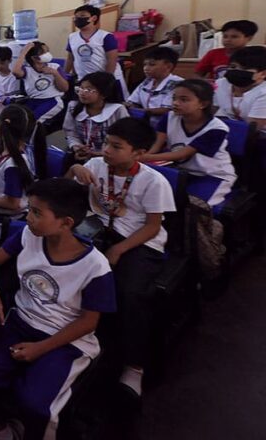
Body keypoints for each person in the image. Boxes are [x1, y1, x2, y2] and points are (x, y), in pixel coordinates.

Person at [0, 178, 116, 440]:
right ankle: (3, 432)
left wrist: (41, 348)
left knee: (36, 406)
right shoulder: (29, 235)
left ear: (66, 222)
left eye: (37, 212)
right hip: (20, 322)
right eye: (30, 209)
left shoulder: (96, 267)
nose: (29, 217)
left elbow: (88, 323)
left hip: (66, 339)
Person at [66, 117, 175, 398]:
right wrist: (74, 168)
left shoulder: (153, 181)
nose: (107, 151)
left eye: (116, 146)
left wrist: (120, 249)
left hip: (138, 241)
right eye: (106, 144)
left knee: (131, 293)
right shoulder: (96, 165)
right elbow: (63, 190)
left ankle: (134, 365)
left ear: (138, 153)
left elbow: (152, 226)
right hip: (97, 231)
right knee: (66, 272)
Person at [144, 79, 236, 208]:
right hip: (181, 171)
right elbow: (157, 144)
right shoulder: (169, 117)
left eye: (184, 100)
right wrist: (146, 156)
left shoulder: (217, 128)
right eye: (174, 98)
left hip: (211, 175)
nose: (175, 103)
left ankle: (211, 227)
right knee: (158, 199)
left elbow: (182, 154)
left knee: (193, 206)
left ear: (203, 104)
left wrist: (145, 158)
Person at [0, 105, 47, 226]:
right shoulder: (9, 154)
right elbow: (3, 181)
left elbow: (12, 203)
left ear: (3, 124)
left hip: (6, 221)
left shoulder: (13, 164)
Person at [63, 72, 129, 167]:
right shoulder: (73, 106)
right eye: (81, 88)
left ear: (104, 94)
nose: (82, 92)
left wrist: (100, 153)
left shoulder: (117, 110)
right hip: (82, 154)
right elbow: (70, 132)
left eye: (89, 90)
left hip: (109, 156)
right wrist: (77, 147)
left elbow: (125, 139)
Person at [65, 4, 129, 99]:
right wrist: (64, 76)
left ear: (94, 18)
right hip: (84, 80)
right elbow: (70, 58)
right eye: (76, 17)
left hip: (107, 79)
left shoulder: (106, 36)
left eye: (82, 16)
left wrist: (107, 80)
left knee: (115, 105)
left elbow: (112, 60)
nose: (78, 19)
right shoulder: (72, 37)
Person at [13, 41, 68, 126]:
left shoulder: (55, 67)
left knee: (32, 121)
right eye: (44, 52)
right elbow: (15, 71)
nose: (48, 54)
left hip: (52, 100)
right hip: (33, 100)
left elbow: (64, 88)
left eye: (47, 51)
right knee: (19, 119)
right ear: (35, 58)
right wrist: (24, 52)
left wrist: (55, 74)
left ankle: (29, 139)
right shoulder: (27, 70)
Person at [214, 46, 266, 128]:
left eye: (245, 68)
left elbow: (253, 129)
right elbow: (211, 112)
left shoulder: (263, 93)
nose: (237, 71)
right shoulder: (221, 84)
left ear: (263, 74)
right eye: (233, 67)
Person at [126, 47, 183, 121]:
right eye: (145, 65)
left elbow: (167, 110)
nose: (146, 68)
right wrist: (127, 106)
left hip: (167, 124)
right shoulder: (147, 81)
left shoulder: (177, 84)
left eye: (152, 64)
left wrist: (142, 111)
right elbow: (133, 101)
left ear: (168, 66)